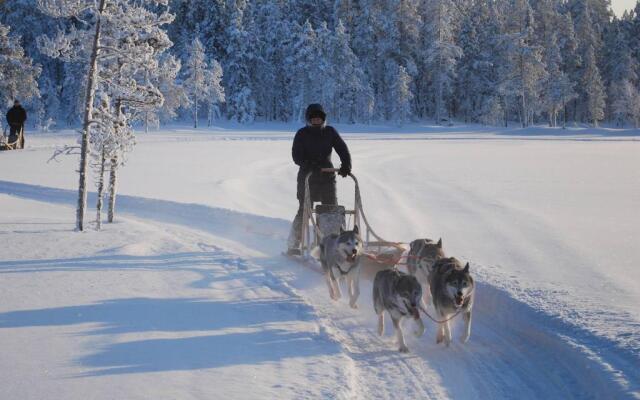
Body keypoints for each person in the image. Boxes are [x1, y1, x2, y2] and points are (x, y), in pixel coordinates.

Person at [287, 103, 352, 255]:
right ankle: (293, 244)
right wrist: (310, 165)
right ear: (308, 119)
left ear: (324, 119)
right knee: (304, 210)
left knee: (330, 211)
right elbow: (296, 156)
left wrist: (346, 165)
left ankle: (330, 245)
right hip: (307, 178)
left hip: (327, 178)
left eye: (319, 118)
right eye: (313, 118)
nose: (316, 120)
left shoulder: (330, 132)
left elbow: (342, 149)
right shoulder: (302, 134)